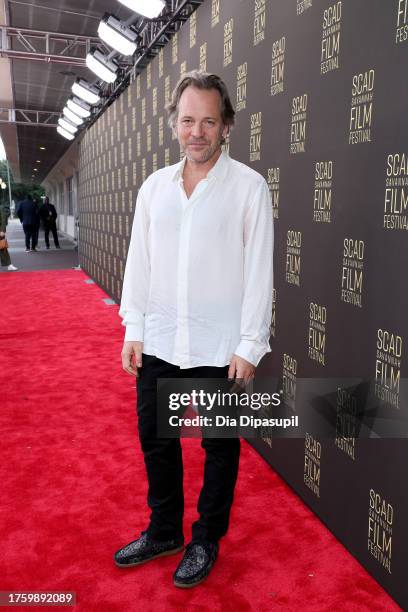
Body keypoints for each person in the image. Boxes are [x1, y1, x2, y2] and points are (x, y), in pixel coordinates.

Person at [116, 70, 274, 588]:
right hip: (160, 337)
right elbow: (139, 262)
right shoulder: (154, 188)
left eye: (209, 120)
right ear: (174, 124)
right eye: (188, 120)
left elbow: (259, 273)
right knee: (155, 439)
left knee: (218, 445)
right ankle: (164, 531)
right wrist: (132, 327)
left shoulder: (249, 188)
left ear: (225, 126)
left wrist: (251, 343)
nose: (197, 131)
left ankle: (206, 538)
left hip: (219, 345)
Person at [0, 202, 18, 271]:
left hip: (0, 232)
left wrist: (2, 230)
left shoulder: (0, 207)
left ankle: (9, 265)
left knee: (3, 248)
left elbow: (3, 219)